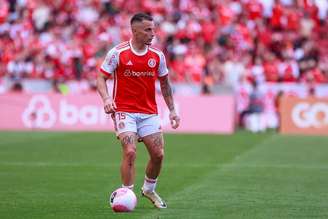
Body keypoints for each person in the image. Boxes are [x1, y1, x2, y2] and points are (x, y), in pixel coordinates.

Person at [96, 13, 180, 209]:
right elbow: (101, 78)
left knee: (158, 154)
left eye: (153, 29)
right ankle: (126, 194)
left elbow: (165, 85)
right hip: (124, 110)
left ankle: (149, 189)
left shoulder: (157, 56)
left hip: (149, 112)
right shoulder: (118, 53)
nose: (153, 33)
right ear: (134, 31)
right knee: (130, 151)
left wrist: (173, 111)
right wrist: (107, 99)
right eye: (148, 30)